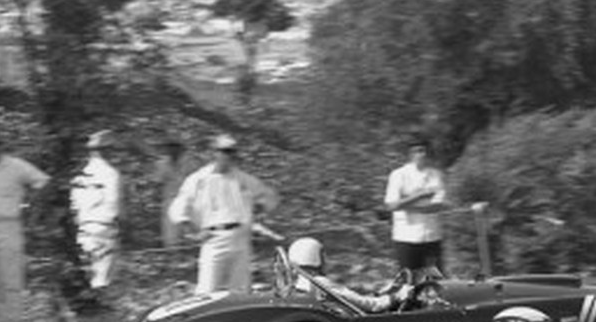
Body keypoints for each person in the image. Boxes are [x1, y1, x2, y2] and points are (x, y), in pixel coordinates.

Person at [167, 133, 279, 294]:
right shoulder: (199, 179)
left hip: (239, 238)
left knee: (240, 291)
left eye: (232, 152)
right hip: (213, 238)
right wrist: (191, 230)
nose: (229, 155)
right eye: (225, 151)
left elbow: (268, 196)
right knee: (207, 290)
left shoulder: (242, 178)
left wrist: (259, 208)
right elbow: (179, 206)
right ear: (215, 153)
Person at [0, 134, 49, 322]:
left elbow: (42, 182)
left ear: (1, 146)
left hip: (8, 227)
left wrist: (31, 209)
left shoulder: (16, 166)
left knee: (10, 279)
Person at [286, 237, 412, 312]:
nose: (326, 260)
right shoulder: (321, 284)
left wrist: (382, 292)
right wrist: (397, 296)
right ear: (313, 257)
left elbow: (353, 300)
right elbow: (371, 306)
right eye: (322, 255)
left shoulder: (300, 285)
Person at [383, 135, 449, 273]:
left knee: (436, 280)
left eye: (424, 151)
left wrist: (406, 205)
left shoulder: (436, 175)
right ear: (410, 154)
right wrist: (420, 196)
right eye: (418, 151)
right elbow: (391, 205)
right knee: (409, 282)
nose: (422, 155)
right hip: (406, 237)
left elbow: (438, 205)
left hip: (432, 235)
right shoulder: (399, 175)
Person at [71, 129, 122, 291]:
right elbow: (114, 202)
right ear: (106, 150)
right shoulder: (111, 174)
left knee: (88, 272)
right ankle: (100, 307)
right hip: (105, 227)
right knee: (103, 277)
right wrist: (121, 225)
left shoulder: (80, 175)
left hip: (83, 228)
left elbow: (74, 205)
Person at [155, 139, 192, 248]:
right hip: (169, 200)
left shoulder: (190, 163)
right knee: (170, 232)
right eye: (170, 146)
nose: (173, 149)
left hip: (187, 200)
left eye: (176, 146)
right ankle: (171, 250)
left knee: (187, 230)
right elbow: (158, 182)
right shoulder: (161, 164)